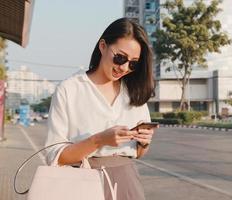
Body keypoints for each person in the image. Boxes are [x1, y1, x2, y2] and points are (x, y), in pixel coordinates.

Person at [45, 18, 156, 200]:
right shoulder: (70, 89)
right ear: (103, 46)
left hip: (127, 183)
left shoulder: (134, 94)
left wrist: (144, 142)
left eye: (133, 63)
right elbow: (55, 156)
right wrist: (99, 140)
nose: (124, 67)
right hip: (81, 183)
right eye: (120, 58)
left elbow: (137, 153)